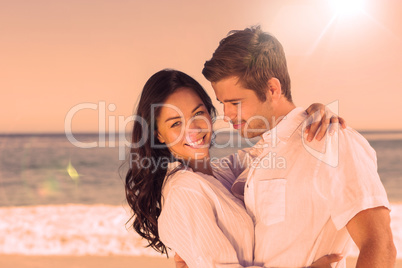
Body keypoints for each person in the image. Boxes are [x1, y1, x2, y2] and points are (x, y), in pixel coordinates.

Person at [194, 26, 396, 267]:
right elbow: (194, 181)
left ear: (272, 90)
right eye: (222, 103)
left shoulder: (331, 141)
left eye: (235, 102)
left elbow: (380, 245)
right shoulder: (258, 155)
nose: (226, 115)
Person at [125, 69, 344, 267]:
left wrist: (312, 113)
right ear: (158, 134)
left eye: (198, 114)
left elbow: (272, 148)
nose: (193, 129)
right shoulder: (184, 190)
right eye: (175, 123)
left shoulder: (223, 172)